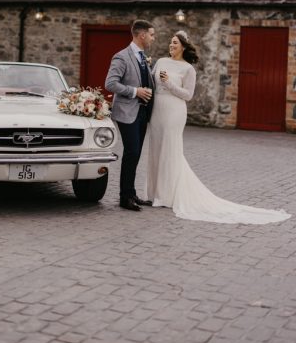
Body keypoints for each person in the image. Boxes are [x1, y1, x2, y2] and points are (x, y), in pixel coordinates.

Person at [145, 30, 290, 224]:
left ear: (184, 47)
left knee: (170, 150)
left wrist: (169, 83)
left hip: (174, 111)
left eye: (175, 43)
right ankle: (153, 193)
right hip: (157, 111)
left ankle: (166, 196)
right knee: (155, 148)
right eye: (170, 42)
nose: (171, 46)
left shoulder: (188, 69)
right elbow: (151, 83)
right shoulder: (161, 62)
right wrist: (147, 67)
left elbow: (187, 95)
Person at [105, 19, 155, 211]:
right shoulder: (121, 57)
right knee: (131, 153)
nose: (153, 38)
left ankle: (131, 193)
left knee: (135, 155)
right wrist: (136, 92)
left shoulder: (143, 57)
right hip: (127, 112)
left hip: (142, 113)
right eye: (151, 34)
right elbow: (110, 83)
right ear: (141, 35)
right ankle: (125, 197)